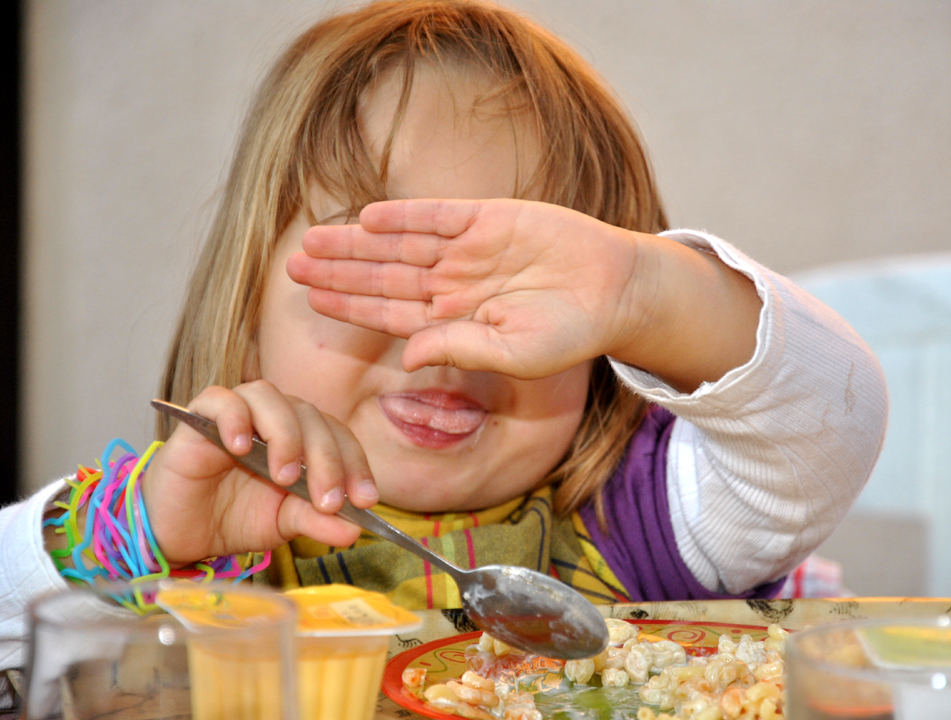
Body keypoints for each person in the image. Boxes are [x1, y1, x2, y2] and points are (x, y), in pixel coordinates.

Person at [0, 0, 887, 677]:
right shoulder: (180, 529)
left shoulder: (647, 520)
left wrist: (644, 290)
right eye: (378, 273)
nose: (447, 343)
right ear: (247, 308)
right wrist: (138, 537)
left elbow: (827, 426)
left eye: (511, 290)